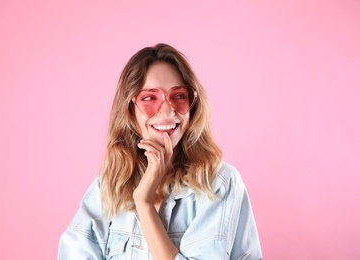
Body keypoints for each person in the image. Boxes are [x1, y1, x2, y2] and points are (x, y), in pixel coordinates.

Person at [58, 43, 262, 259]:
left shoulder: (218, 183)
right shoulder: (108, 188)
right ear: (129, 110)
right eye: (149, 98)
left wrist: (144, 204)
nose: (167, 110)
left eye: (179, 96)